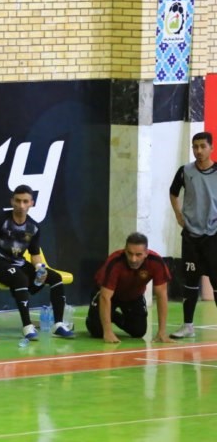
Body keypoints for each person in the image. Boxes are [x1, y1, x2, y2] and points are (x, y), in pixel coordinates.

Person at [0, 185, 75, 340]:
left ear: (32, 203)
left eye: (25, 201)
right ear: (12, 201)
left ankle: (58, 325)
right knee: (21, 278)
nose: (21, 205)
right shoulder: (1, 220)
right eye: (18, 201)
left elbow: (35, 255)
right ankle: (27, 326)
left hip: (19, 263)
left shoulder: (34, 227)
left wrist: (40, 268)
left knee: (55, 278)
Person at [169, 131, 217, 339]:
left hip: (213, 235)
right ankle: (188, 326)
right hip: (191, 236)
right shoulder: (185, 171)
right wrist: (178, 214)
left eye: (202, 146)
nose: (198, 150)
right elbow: (173, 192)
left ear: (211, 148)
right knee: (190, 281)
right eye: (195, 146)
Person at [85, 232, 174, 343]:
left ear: (146, 253)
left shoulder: (156, 262)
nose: (133, 259)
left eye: (138, 255)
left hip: (133, 296)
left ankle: (113, 316)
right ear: (125, 250)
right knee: (97, 331)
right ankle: (95, 318)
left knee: (138, 331)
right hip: (109, 295)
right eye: (130, 253)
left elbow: (161, 296)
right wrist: (107, 331)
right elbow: (105, 297)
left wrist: (162, 332)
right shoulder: (115, 262)